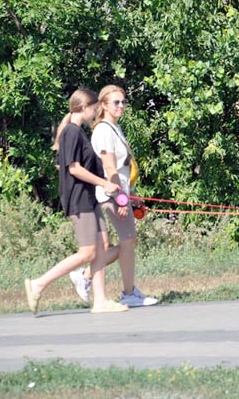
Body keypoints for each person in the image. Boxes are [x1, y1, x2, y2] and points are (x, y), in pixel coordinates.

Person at [24, 88, 129, 314]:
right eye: (94, 108)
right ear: (84, 108)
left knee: (102, 248)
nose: (96, 112)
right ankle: (38, 284)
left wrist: (117, 190)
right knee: (87, 252)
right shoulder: (72, 132)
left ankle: (100, 301)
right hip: (79, 201)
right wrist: (103, 183)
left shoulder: (77, 132)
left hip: (90, 199)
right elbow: (74, 169)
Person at [68, 84, 158, 308]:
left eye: (123, 102)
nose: (121, 106)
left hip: (122, 192)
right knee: (128, 240)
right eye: (116, 102)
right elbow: (110, 168)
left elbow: (123, 166)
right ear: (104, 105)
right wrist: (121, 198)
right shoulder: (103, 130)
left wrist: (132, 193)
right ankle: (126, 292)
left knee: (129, 241)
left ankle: (87, 276)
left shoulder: (115, 128)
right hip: (111, 195)